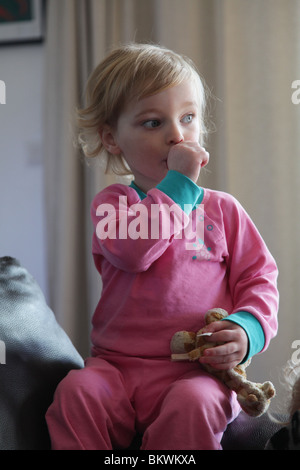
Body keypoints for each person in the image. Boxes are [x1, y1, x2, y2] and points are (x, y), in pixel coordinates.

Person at [46, 43, 279, 450]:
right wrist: (179, 186)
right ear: (112, 139)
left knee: (195, 403)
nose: (177, 134)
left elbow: (260, 279)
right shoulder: (113, 206)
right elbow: (137, 250)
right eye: (153, 123)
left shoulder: (224, 210)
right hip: (116, 368)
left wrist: (248, 331)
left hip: (197, 373)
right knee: (76, 393)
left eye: (188, 118)